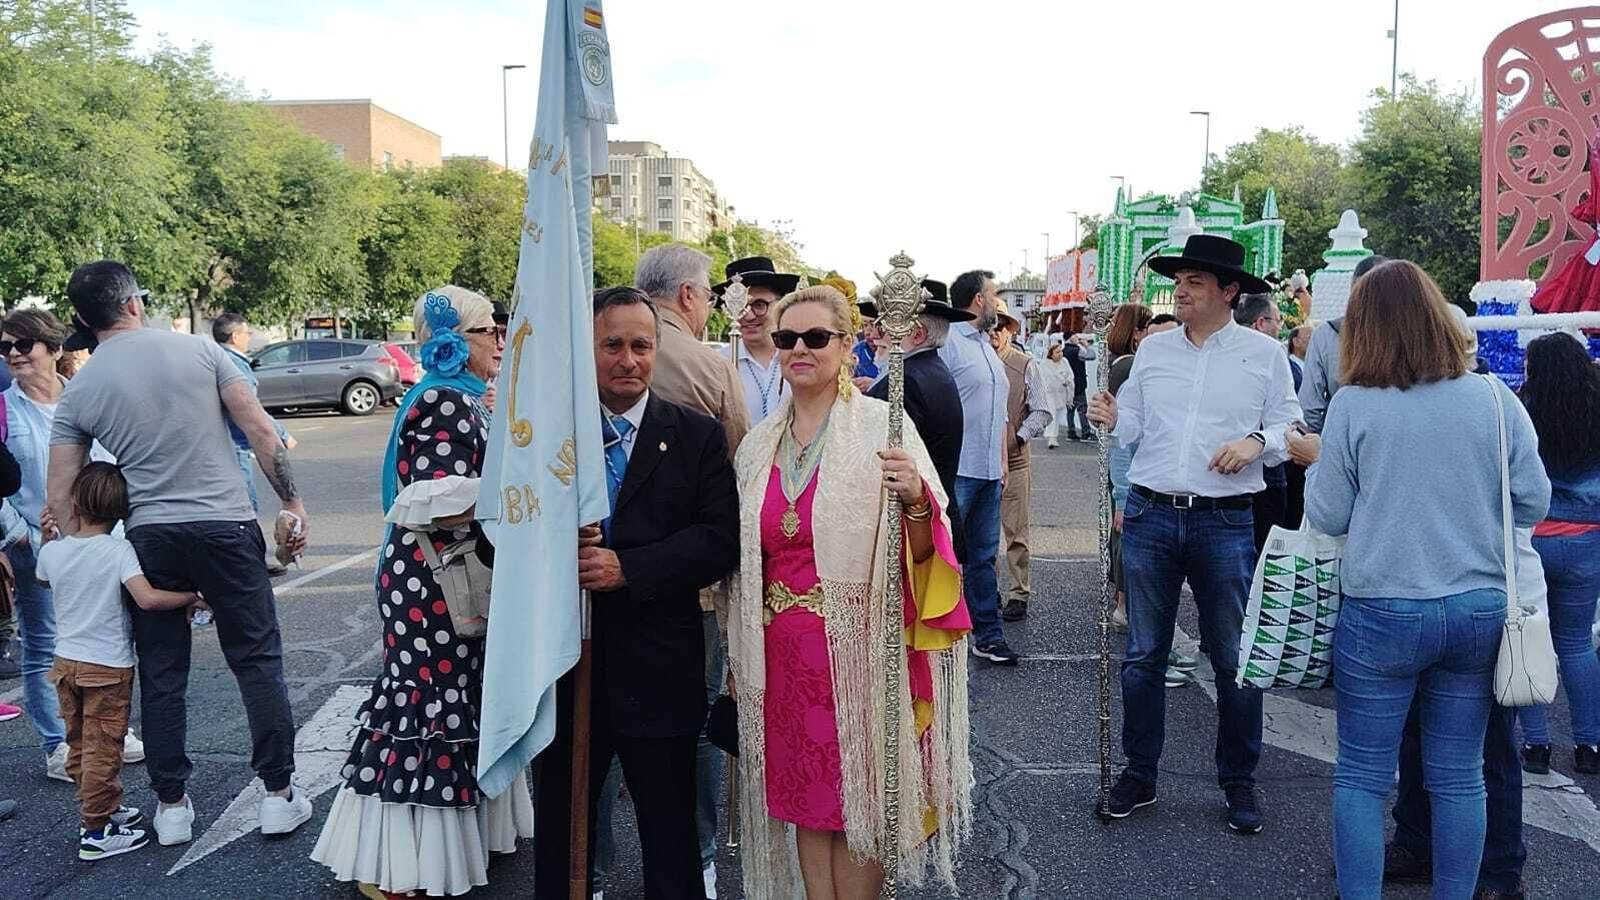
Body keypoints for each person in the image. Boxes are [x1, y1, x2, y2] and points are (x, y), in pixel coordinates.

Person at [1301, 260, 1551, 900]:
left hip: (1383, 607)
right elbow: (1534, 501)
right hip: (1477, 608)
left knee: (1361, 775)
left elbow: (1327, 515)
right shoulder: (1496, 399)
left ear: (1364, 329)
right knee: (1461, 775)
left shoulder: (1355, 405)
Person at [47, 260, 311, 847]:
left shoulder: (80, 389)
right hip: (225, 525)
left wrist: (86, 555)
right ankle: (277, 795)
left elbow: (60, 496)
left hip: (151, 535)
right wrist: (291, 502)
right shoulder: (203, 353)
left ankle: (171, 806)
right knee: (257, 662)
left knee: (163, 676)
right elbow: (262, 433)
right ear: (135, 302)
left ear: (84, 321)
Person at [727, 284, 971, 899]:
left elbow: (930, 540)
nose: (799, 349)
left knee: (858, 798)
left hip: (856, 652)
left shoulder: (881, 429)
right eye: (787, 339)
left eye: (816, 337)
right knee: (806, 800)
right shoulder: (757, 445)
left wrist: (915, 495)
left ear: (847, 346)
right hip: (780, 655)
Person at [312, 285, 529, 897]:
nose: (498, 340)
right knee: (429, 704)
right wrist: (521, 496)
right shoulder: (445, 400)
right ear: (455, 340)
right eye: (488, 330)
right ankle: (398, 865)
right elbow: (435, 498)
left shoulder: (459, 398)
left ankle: (447, 844)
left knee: (453, 698)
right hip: (435, 575)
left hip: (439, 571)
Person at [532, 286, 740, 900]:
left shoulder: (696, 436)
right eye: (613, 345)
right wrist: (553, 541)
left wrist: (630, 567)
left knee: (669, 834)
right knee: (563, 832)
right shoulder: (545, 442)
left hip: (661, 666)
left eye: (641, 345)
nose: (628, 359)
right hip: (568, 669)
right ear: (588, 349)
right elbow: (498, 540)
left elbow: (720, 539)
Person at [1087, 234, 1300, 832]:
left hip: (1225, 519)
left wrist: (1257, 442)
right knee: (1142, 655)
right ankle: (1139, 774)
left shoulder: (1264, 356)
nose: (1179, 290)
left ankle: (1239, 781)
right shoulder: (1154, 354)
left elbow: (1290, 424)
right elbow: (1131, 428)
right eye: (1178, 282)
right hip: (1152, 513)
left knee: (1232, 657)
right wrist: (1110, 415)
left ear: (1229, 292)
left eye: (1194, 283)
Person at [634, 243, 748, 895]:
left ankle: (590, 867)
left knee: (609, 717)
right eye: (707, 295)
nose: (707, 308)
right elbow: (742, 469)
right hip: (693, 579)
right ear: (685, 296)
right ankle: (700, 853)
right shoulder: (708, 366)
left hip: (605, 568)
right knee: (700, 710)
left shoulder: (593, 348)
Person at [39, 462, 202, 861]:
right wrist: (190, 597)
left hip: (65, 664)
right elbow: (147, 599)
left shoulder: (55, 551)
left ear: (74, 503)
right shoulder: (118, 550)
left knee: (79, 744)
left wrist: (50, 537)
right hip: (106, 668)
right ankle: (95, 830)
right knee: (104, 748)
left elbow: (44, 578)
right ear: (122, 513)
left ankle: (105, 809)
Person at [1, 308, 134, 781]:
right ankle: (59, 743)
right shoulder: (2, 409)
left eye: (24, 345)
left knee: (110, 638)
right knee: (44, 645)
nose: (14, 355)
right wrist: (20, 535)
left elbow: (114, 462)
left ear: (54, 349)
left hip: (103, 543)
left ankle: (107, 729)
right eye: (6, 348)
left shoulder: (85, 398)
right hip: (38, 545)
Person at [1515, 332, 1600, 777]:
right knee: (1576, 644)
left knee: (1529, 639)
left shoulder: (1524, 408)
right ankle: (1589, 745)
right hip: (1588, 538)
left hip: (1533, 536)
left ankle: (1536, 745)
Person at [1103, 305, 1196, 687]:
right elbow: (1120, 444)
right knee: (1147, 584)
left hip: (1182, 500)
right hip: (1145, 496)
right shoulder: (1134, 373)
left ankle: (1163, 651)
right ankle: (1157, 658)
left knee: (1164, 586)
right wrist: (1124, 498)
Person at [938, 269, 1020, 665]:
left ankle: (988, 635)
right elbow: (935, 404)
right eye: (994, 294)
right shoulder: (949, 343)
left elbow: (1000, 412)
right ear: (977, 301)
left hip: (989, 470)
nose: (998, 302)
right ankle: (941, 637)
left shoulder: (987, 347)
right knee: (948, 555)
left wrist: (1002, 461)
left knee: (984, 557)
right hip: (958, 471)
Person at [862, 278, 973, 563]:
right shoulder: (932, 368)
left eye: (887, 323)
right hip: (934, 517)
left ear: (918, 333)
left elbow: (876, 461)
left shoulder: (906, 380)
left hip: (914, 530)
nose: (876, 333)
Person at [211, 313, 296, 576]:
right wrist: (281, 433)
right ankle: (251, 562)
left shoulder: (212, 359)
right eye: (247, 333)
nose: (248, 338)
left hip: (219, 444)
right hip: (235, 445)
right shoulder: (233, 365)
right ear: (235, 336)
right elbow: (250, 410)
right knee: (246, 507)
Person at [989, 301, 1051, 622]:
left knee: (1016, 531)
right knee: (981, 536)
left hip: (1015, 460)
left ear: (1010, 330)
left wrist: (1019, 436)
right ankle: (988, 592)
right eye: (989, 324)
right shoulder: (972, 363)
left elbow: (1041, 410)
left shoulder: (1024, 364)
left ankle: (1018, 592)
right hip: (979, 463)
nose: (994, 331)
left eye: (1000, 325)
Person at [1298, 254, 1387, 434]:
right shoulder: (1412, 336)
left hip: (1340, 437)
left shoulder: (1325, 335)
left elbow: (1310, 407)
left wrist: (1320, 450)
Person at [1232, 293, 1290, 554]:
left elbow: (1285, 418)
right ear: (1261, 322)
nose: (1280, 327)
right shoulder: (1273, 355)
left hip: (1236, 476)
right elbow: (1290, 422)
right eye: (1277, 320)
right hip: (1258, 481)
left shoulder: (1271, 355)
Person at [718, 257, 800, 428]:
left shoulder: (799, 356)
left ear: (779, 305)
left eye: (759, 304)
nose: (748, 316)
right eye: (740, 306)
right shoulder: (719, 364)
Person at [1039, 343, 1075, 449]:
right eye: (1057, 352)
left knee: (1057, 415)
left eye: (1061, 351)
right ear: (1051, 354)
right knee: (1052, 414)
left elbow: (1070, 375)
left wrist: (1067, 381)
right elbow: (1043, 379)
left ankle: (1053, 436)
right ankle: (1051, 438)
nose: (1060, 354)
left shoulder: (1065, 362)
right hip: (1049, 393)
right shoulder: (1044, 364)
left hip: (1061, 393)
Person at [1062, 333, 1097, 441]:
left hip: (1068, 384)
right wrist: (1086, 346)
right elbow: (1092, 356)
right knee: (1082, 409)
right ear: (1070, 337)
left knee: (1070, 409)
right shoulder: (1076, 351)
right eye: (1076, 336)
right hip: (1078, 384)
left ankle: (1071, 432)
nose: (1078, 339)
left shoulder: (1063, 351)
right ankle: (1086, 432)